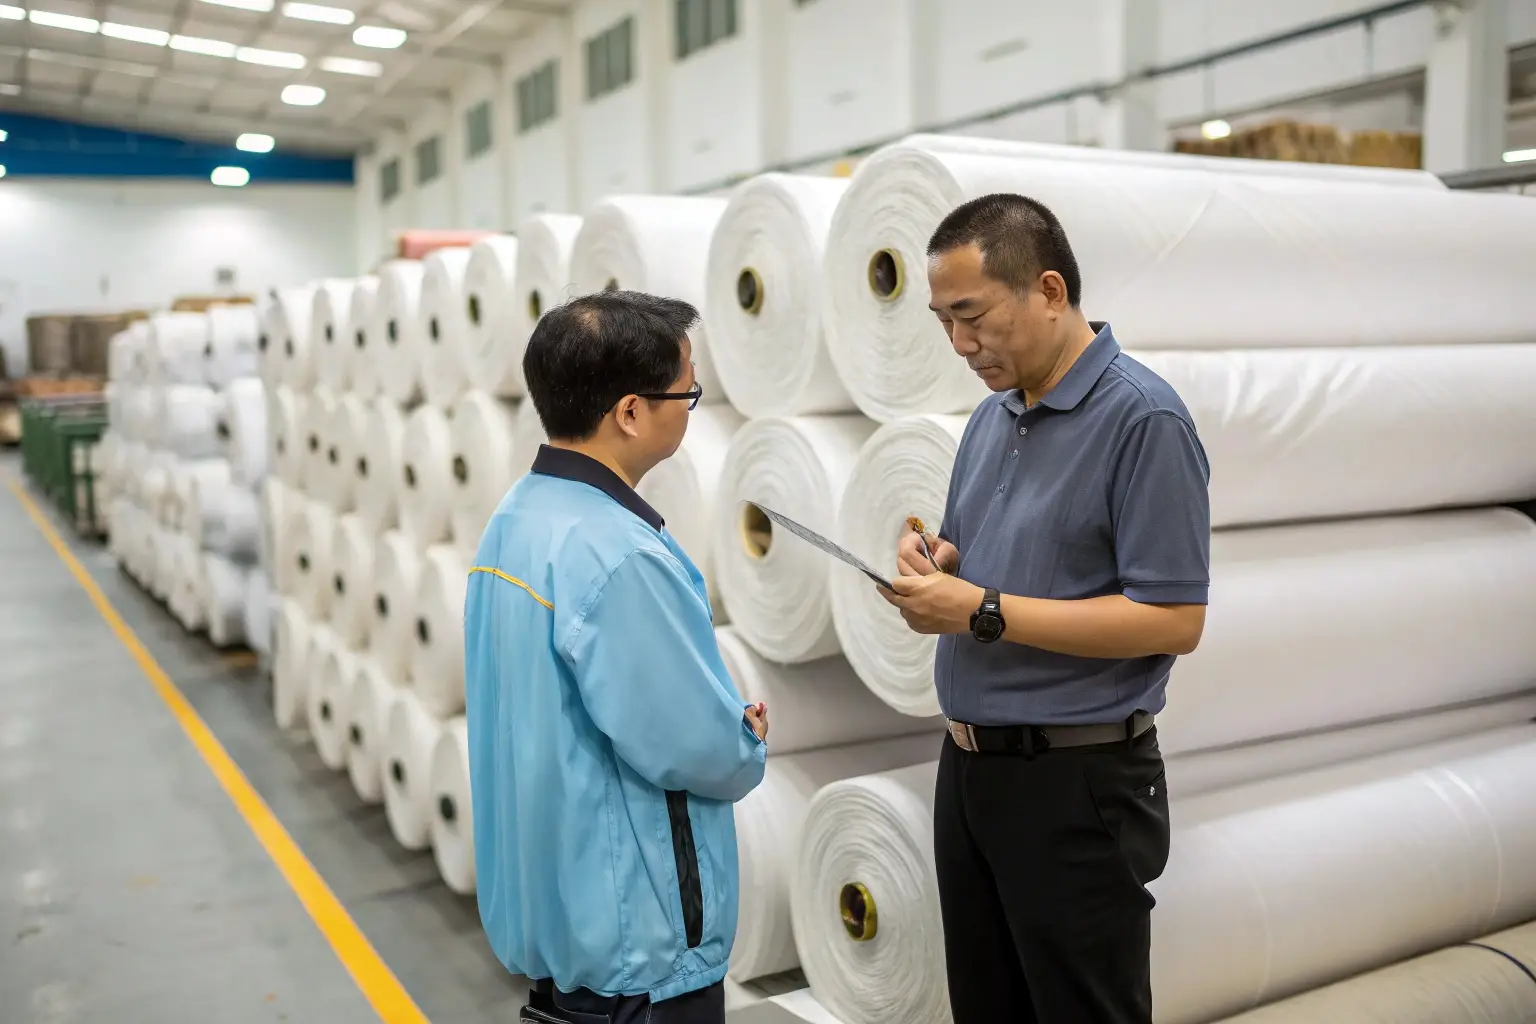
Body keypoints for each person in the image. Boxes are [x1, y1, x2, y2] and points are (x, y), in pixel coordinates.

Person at [881, 193, 1211, 1024]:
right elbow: (985, 559)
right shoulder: (994, 419)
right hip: (972, 771)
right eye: (942, 321)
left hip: (1075, 783)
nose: (960, 345)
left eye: (973, 317)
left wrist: (981, 609)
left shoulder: (1144, 420)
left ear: (1051, 291)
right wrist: (942, 565)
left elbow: (1173, 620)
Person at [462, 289, 769, 1024]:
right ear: (631, 412)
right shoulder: (617, 555)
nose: (690, 409)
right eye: (686, 391)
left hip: (563, 923)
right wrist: (745, 739)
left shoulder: (514, 523)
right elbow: (694, 745)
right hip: (641, 948)